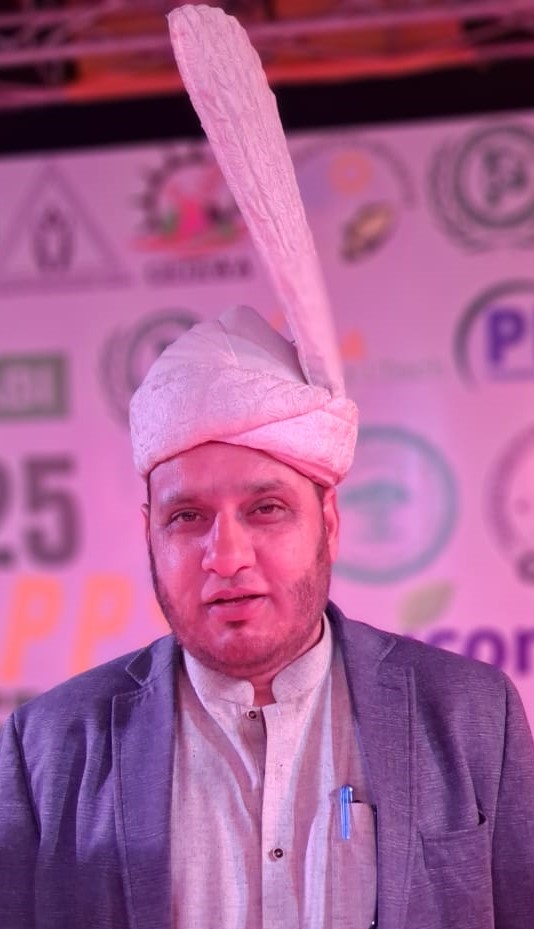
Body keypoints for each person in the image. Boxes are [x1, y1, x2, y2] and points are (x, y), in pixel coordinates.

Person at [2, 6, 534, 929]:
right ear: (147, 532)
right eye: (187, 517)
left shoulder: (470, 716)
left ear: (331, 517)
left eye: (266, 507)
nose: (227, 554)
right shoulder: (48, 749)